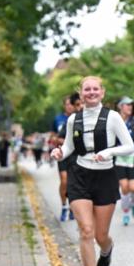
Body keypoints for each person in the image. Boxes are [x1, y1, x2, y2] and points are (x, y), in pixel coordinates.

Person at [50, 76, 134, 266]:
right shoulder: (73, 120)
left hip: (105, 176)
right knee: (86, 230)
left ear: (102, 92)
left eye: (95, 89)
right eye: (87, 89)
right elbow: (68, 147)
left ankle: (107, 249)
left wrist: (109, 152)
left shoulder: (113, 117)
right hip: (80, 176)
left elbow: (129, 146)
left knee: (100, 235)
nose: (91, 92)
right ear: (81, 93)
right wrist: (59, 153)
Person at [52, 93, 81, 221]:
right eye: (68, 104)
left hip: (76, 156)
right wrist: (66, 142)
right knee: (64, 181)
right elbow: (54, 137)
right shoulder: (61, 120)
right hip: (63, 154)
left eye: (72, 104)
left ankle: (71, 208)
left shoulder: (79, 119)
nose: (70, 107)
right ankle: (64, 206)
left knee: (73, 183)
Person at [114, 97, 134, 226]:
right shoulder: (114, 121)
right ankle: (126, 212)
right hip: (119, 158)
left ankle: (133, 204)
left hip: (132, 157)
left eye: (131, 105)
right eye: (127, 105)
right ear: (120, 106)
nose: (130, 107)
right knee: (125, 187)